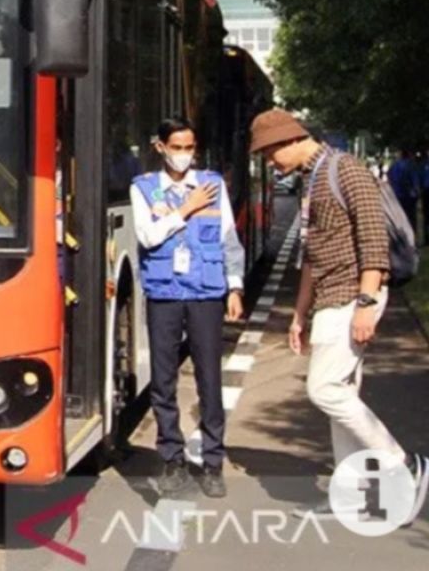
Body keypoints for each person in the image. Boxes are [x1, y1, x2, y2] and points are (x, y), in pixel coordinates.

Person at [250, 109, 428, 522]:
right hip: (330, 298)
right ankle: (349, 496)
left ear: (289, 140)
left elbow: (372, 240)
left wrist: (366, 304)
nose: (269, 163)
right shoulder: (313, 178)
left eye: (269, 153)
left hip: (353, 295)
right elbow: (312, 254)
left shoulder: (347, 170)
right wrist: (299, 315)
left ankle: (402, 463)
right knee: (341, 397)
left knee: (325, 389)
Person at [130, 117, 244, 499]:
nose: (184, 155)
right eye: (176, 147)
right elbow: (147, 235)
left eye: (189, 147)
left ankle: (213, 462)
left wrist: (235, 286)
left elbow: (229, 238)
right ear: (160, 146)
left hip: (206, 293)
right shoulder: (143, 189)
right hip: (164, 293)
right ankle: (172, 458)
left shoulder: (212, 185)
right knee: (163, 381)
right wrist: (185, 210)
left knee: (209, 379)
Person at [387, 149, 419, 234]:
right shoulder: (410, 165)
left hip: (396, 194)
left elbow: (389, 177)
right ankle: (411, 234)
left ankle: (400, 234)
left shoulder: (394, 165)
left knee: (398, 216)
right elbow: (414, 180)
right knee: (411, 216)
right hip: (408, 195)